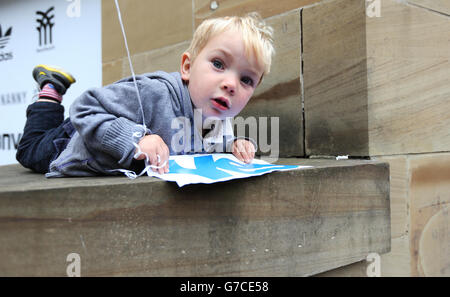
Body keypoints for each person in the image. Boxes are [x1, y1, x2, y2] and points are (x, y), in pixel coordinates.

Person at [16, 12, 275, 177]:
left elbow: (212, 142)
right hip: (74, 138)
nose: (231, 84)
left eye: (246, 79)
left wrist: (234, 144)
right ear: (187, 67)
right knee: (29, 151)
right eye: (218, 64)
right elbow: (85, 108)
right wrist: (137, 139)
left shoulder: (217, 110)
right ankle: (50, 90)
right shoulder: (154, 92)